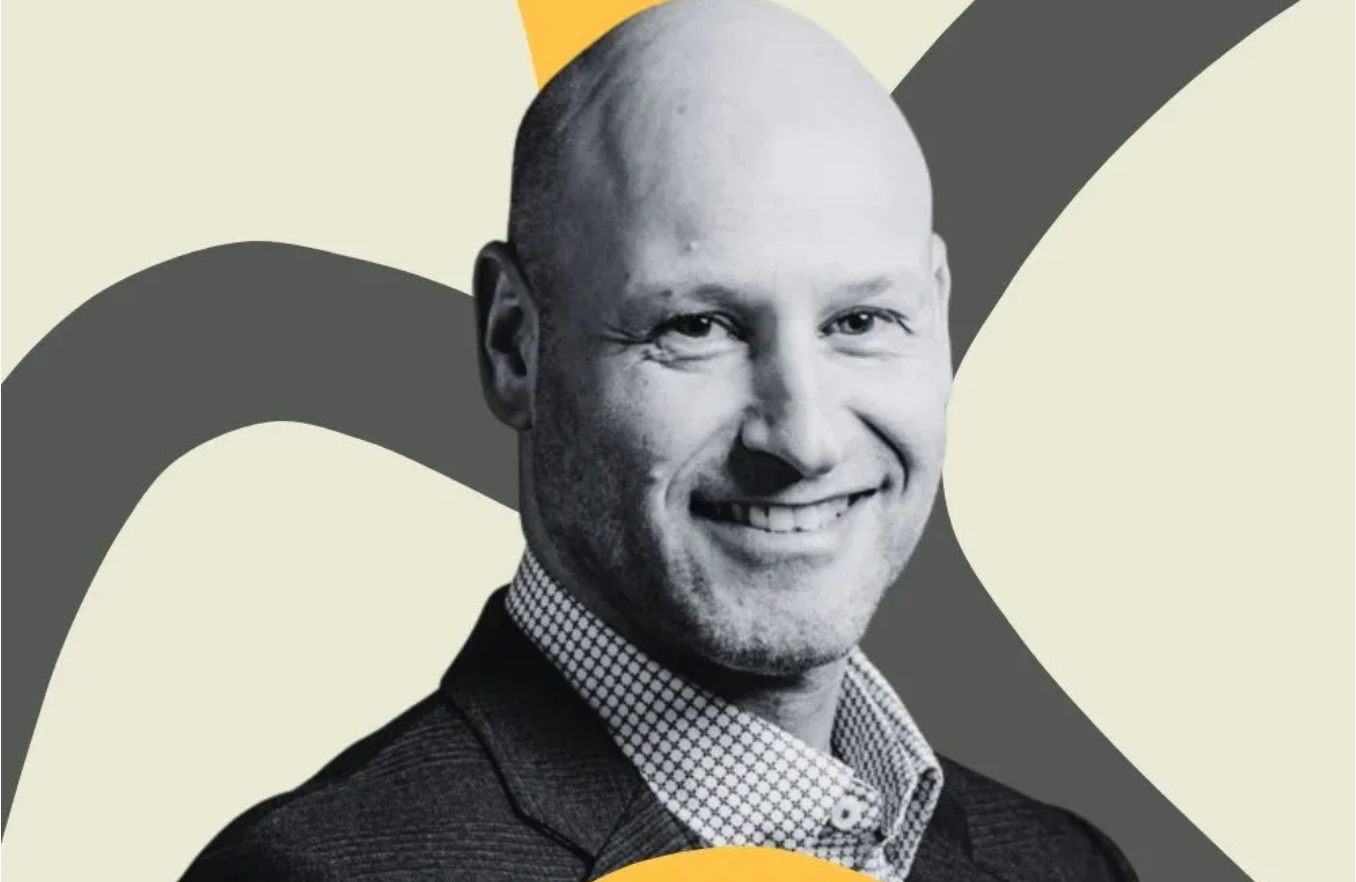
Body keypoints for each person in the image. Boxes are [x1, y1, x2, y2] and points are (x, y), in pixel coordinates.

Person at [181, 1, 1137, 879]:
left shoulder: (1064, 867)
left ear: (938, 315)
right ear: (514, 345)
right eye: (698, 328)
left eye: (860, 322)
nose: (803, 440)